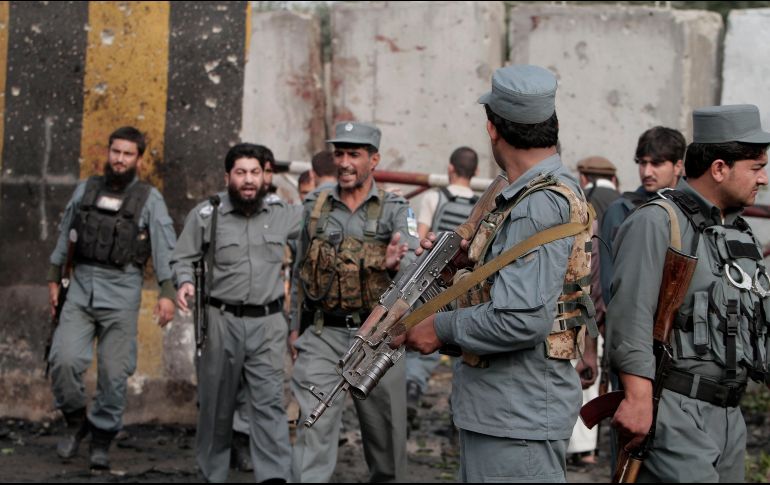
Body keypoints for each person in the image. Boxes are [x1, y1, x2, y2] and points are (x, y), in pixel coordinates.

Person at [401, 64, 595, 482]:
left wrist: (441, 326)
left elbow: (522, 319)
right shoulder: (524, 193)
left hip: (516, 415)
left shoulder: (538, 203)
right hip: (505, 411)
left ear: (492, 128)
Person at [607, 104, 770, 482]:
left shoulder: (740, 233)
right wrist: (636, 397)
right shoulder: (658, 221)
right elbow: (629, 317)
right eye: (756, 168)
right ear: (719, 168)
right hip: (674, 410)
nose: (762, 180)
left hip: (730, 416)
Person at [289, 121, 416, 482]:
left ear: (373, 160)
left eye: (354, 154)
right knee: (311, 429)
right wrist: (294, 328)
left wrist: (394, 264)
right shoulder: (316, 204)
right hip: (321, 334)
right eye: (339, 153)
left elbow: (412, 269)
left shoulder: (396, 208)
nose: (344, 162)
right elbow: (300, 269)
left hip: (377, 340)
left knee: (386, 442)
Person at [46, 126, 177, 469]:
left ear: (139, 159)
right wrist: (54, 277)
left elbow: (164, 247)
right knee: (63, 360)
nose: (119, 159)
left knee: (113, 372)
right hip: (81, 287)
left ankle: (101, 438)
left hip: (122, 289)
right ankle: (76, 422)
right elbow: (66, 233)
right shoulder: (86, 189)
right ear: (108, 152)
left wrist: (167, 293)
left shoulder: (149, 198)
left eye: (127, 154)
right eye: (115, 151)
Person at [172, 143, 302, 483]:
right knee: (215, 406)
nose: (248, 180)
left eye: (255, 173)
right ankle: (212, 474)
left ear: (265, 176)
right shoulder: (206, 214)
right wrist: (185, 282)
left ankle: (274, 476)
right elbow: (183, 256)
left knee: (270, 404)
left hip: (269, 324)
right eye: (241, 172)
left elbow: (315, 238)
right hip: (221, 321)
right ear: (228, 176)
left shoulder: (283, 214)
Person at [406, 146, 479, 429]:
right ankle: (456, 410)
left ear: (450, 168)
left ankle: (412, 389)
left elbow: (420, 241)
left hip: (435, 285)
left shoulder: (435, 197)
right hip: (468, 287)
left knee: (422, 341)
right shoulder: (480, 205)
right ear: (474, 173)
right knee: (462, 346)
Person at [568, 156, 621, 466]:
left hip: (590, 301)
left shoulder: (585, 203)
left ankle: (579, 447)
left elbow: (589, 261)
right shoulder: (625, 201)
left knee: (584, 375)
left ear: (585, 175)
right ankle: (589, 449)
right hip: (620, 305)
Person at [599, 127, 685, 304]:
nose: (646, 172)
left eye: (656, 163)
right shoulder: (620, 210)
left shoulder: (695, 210)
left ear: (677, 166)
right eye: (642, 163)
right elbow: (610, 283)